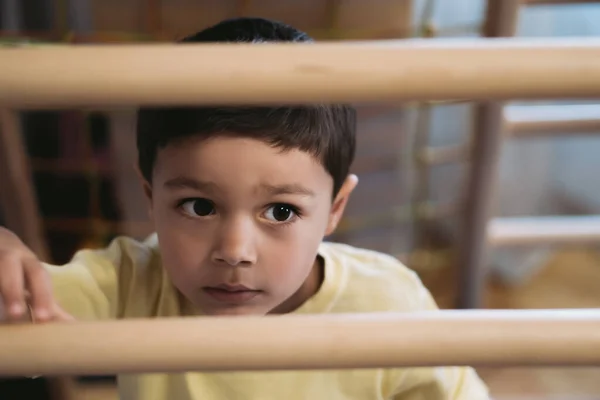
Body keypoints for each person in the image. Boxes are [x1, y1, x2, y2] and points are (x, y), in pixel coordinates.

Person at [0, 17, 490, 400]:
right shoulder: (131, 284)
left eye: (279, 212)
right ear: (151, 198)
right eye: (198, 206)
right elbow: (22, 316)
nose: (234, 252)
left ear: (336, 207)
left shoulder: (389, 305)